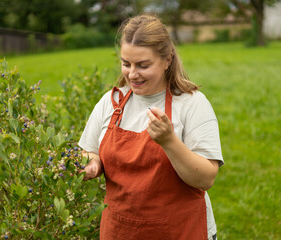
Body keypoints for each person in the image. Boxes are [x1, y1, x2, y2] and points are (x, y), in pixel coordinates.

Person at [79, 14, 224, 240]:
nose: (132, 74)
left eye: (143, 65)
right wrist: (93, 163)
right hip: (120, 232)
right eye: (126, 64)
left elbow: (206, 179)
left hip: (180, 232)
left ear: (167, 60)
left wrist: (169, 141)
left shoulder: (191, 104)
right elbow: (89, 150)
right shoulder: (111, 102)